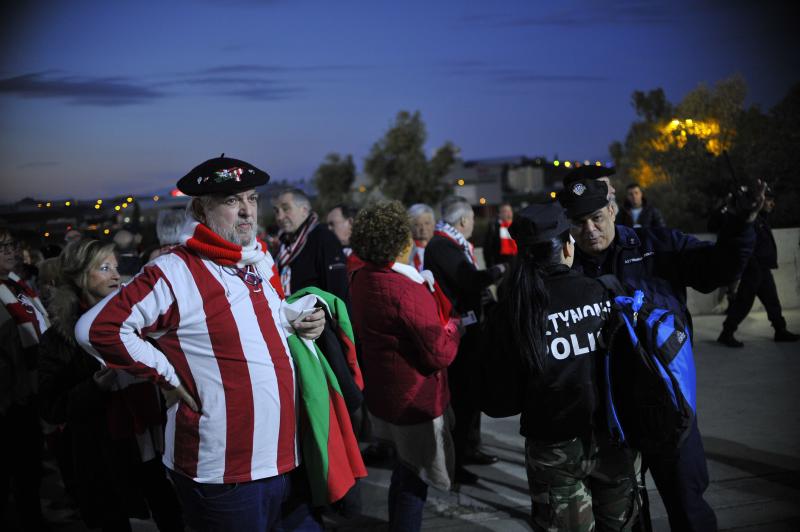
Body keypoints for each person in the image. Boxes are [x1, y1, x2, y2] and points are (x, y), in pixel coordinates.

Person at [76, 156, 327, 531]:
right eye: (230, 201)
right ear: (199, 208)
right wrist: (167, 376)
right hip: (224, 471)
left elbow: (268, 320)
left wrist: (304, 321)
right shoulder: (175, 270)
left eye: (252, 198)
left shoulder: (259, 258)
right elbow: (97, 329)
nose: (246, 211)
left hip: (282, 456)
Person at [558, 177, 762, 532]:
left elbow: (718, 267)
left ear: (612, 210)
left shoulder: (658, 244)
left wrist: (740, 225)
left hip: (667, 410)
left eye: (596, 219)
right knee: (627, 519)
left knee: (688, 507)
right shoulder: (564, 272)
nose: (589, 230)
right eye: (578, 223)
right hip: (608, 421)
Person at [482, 202, 640, 530]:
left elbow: (499, 402)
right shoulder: (604, 291)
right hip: (613, 437)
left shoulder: (511, 310)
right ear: (568, 246)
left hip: (552, 447)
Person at [38, 239, 184, 532]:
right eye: (105, 268)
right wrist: (94, 387)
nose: (117, 276)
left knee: (171, 517)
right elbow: (52, 409)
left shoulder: (140, 323)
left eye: (116, 267)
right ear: (80, 276)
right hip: (102, 460)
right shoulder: (59, 339)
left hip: (154, 447)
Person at [348, 201, 459, 532]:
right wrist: (454, 328)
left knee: (405, 469)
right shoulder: (405, 289)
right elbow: (438, 353)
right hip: (415, 398)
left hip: (388, 393)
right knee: (415, 478)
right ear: (403, 242)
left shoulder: (363, 278)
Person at [423, 196, 505, 484]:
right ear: (463, 221)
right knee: (462, 397)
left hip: (469, 329)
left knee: (472, 394)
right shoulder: (442, 245)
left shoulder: (451, 242)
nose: (472, 225)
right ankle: (456, 462)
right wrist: (496, 272)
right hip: (457, 332)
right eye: (470, 219)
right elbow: (468, 280)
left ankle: (471, 448)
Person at [0, 228, 50, 532]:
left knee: (29, 468)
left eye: (11, 245)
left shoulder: (15, 286)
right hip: (9, 398)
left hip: (29, 389)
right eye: (1, 246)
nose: (10, 251)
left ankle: (33, 517)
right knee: (13, 469)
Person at [718, 188, 799, 346]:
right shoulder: (750, 219)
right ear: (759, 202)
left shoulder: (762, 218)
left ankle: (780, 330)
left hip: (763, 267)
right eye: (768, 200)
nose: (772, 203)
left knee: (772, 301)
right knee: (744, 303)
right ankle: (727, 333)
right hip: (753, 268)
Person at [273, 188, 349, 302]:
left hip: (317, 317)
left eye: (286, 209)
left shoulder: (323, 238)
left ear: (304, 210)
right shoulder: (284, 243)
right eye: (277, 211)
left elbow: (338, 290)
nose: (279, 217)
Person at [482, 202, 517, 268]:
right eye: (505, 211)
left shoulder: (517, 226)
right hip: (501, 265)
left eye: (510, 211)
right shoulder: (494, 228)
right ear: (499, 214)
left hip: (516, 264)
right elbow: (488, 250)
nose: (509, 213)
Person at [407, 203, 436, 272]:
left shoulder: (442, 247)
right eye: (417, 224)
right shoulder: (406, 250)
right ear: (410, 227)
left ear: (434, 224)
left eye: (427, 223)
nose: (423, 228)